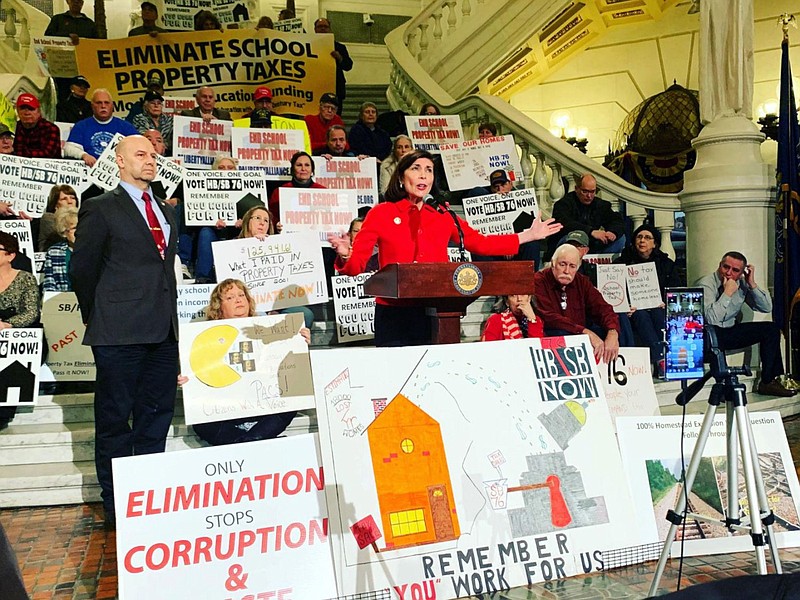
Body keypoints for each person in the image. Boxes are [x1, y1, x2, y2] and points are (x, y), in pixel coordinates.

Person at [329, 149, 562, 346]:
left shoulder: (442, 215)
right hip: (393, 312)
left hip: (435, 311)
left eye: (429, 170)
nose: (423, 175)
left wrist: (527, 235)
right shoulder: (381, 213)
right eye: (416, 168)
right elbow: (356, 266)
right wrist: (344, 255)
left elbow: (481, 243)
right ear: (401, 176)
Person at [70, 135, 179, 526]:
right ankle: (118, 507)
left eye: (153, 155)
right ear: (119, 161)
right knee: (116, 421)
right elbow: (81, 270)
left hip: (163, 333)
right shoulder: (100, 208)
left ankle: (147, 499)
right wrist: (99, 314)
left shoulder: (168, 212)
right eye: (140, 154)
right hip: (118, 333)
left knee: (156, 418)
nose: (150, 161)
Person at [190, 279, 309, 445]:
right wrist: (187, 379)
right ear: (219, 307)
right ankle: (254, 442)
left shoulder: (272, 329)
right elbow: (196, 379)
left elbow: (292, 374)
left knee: (291, 402)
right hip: (224, 413)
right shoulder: (204, 338)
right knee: (201, 421)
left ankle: (249, 441)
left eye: (241, 295)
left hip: (266, 406)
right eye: (230, 298)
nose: (238, 300)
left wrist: (299, 342)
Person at [696, 251, 796, 397]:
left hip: (729, 330)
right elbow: (712, 319)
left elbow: (766, 307)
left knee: (771, 329)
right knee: (714, 330)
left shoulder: (742, 283)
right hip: (708, 334)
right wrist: (727, 293)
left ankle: (768, 381)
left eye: (735, 270)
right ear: (720, 265)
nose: (729, 273)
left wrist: (752, 284)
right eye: (726, 267)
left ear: (742, 272)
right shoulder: (707, 284)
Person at [533, 244, 621, 363]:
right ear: (553, 263)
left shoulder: (582, 281)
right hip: (555, 333)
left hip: (580, 333)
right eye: (562, 264)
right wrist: (584, 331)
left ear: (578, 267)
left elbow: (602, 307)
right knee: (561, 333)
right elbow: (549, 317)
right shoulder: (539, 281)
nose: (566, 271)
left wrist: (612, 332)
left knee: (619, 325)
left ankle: (624, 366)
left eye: (572, 266)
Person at [614, 224, 681, 366]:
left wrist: (666, 301)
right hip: (633, 310)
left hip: (659, 306)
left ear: (654, 243)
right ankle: (660, 359)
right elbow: (614, 289)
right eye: (639, 237)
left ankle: (667, 356)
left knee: (658, 313)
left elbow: (676, 289)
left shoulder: (666, 264)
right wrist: (625, 305)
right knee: (641, 315)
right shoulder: (621, 262)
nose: (642, 241)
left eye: (647, 238)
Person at [238, 206, 314, 328]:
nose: (262, 223)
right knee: (261, 316)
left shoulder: (278, 246)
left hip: (278, 304)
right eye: (258, 218)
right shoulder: (232, 247)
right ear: (248, 221)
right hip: (249, 304)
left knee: (306, 314)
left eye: (266, 220)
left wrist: (276, 309)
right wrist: (253, 245)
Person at [0, 231, 40, 428]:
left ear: (10, 255)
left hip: (18, 337)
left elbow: (31, 312)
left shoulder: (25, 279)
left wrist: (8, 325)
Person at [550, 173, 626, 257]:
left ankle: (606, 266)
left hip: (592, 245)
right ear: (576, 189)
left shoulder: (601, 205)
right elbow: (564, 223)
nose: (589, 196)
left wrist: (613, 232)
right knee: (573, 239)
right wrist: (590, 232)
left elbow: (616, 220)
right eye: (585, 191)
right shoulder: (564, 204)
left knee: (620, 239)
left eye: (592, 192)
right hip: (569, 242)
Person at [63, 89, 138, 166]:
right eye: (99, 103)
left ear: (112, 106)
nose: (103, 106)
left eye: (106, 103)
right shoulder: (81, 126)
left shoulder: (126, 127)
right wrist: (83, 155)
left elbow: (139, 148)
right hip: (90, 169)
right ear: (92, 106)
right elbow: (69, 148)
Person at [268, 151, 326, 226]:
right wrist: (276, 225)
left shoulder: (322, 191)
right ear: (292, 169)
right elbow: (272, 217)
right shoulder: (279, 191)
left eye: (307, 165)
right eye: (299, 165)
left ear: (312, 170)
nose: (303, 168)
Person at [314, 18, 352, 114]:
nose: (323, 29)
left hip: (336, 88)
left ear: (330, 29)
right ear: (315, 29)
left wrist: (340, 58)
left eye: (325, 27)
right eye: (320, 26)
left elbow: (348, 66)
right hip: (315, 88)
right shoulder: (309, 45)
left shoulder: (340, 47)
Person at [13, 93, 61, 159]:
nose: (27, 112)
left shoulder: (51, 129)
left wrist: (19, 154)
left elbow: (47, 154)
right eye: (23, 108)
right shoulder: (13, 128)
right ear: (17, 111)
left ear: (39, 112)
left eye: (31, 109)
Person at [42, 207, 78, 292]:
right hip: (63, 301)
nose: (78, 231)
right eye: (74, 228)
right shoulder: (54, 252)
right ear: (64, 232)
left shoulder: (94, 249)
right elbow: (49, 283)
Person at [132, 90, 173, 155]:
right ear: (146, 106)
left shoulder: (169, 120)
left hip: (168, 155)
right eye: (152, 103)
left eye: (159, 103)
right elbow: (145, 138)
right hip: (147, 152)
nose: (156, 106)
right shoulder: (139, 118)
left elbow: (174, 141)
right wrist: (161, 144)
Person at [39, 185, 79, 251]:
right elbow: (61, 235)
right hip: (56, 255)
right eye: (64, 199)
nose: (70, 201)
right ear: (55, 204)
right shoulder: (48, 218)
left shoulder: (83, 217)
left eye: (72, 198)